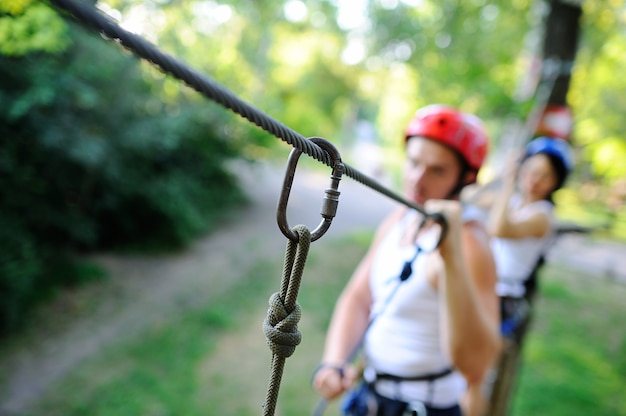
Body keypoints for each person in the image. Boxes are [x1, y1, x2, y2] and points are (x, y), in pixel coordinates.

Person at [312, 105, 502, 416]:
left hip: (423, 408)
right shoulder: (400, 218)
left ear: (464, 179)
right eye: (413, 162)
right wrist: (335, 361)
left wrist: (451, 257)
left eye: (437, 170)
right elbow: (359, 298)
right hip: (370, 397)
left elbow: (475, 365)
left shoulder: (470, 243)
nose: (417, 179)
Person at [461, 136, 574, 415]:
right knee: (459, 367)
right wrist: (502, 175)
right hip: (481, 288)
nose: (534, 181)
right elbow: (467, 196)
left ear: (555, 183)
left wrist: (510, 182)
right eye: (531, 171)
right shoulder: (511, 201)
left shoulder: (543, 215)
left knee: (478, 377)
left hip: (504, 299)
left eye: (544, 176)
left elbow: (500, 229)